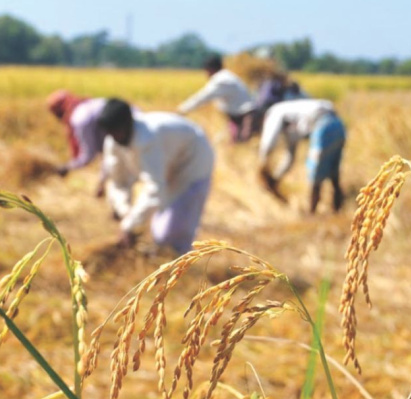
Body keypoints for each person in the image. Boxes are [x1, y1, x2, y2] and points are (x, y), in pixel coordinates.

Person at [97, 98, 214, 254]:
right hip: (170, 164)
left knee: (172, 231)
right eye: (111, 132)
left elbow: (155, 190)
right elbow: (119, 181)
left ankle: (179, 260)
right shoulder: (113, 143)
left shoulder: (148, 138)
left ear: (127, 123)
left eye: (117, 131)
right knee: (159, 227)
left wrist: (129, 226)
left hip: (192, 162)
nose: (115, 136)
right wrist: (125, 211)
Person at [257, 98, 346, 214]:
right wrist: (277, 178)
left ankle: (312, 213)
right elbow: (290, 157)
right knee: (334, 171)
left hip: (323, 126)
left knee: (315, 172)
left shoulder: (275, 112)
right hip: (338, 125)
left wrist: (263, 161)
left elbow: (269, 141)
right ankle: (337, 210)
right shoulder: (291, 117)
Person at [177, 55, 256, 143]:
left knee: (243, 141)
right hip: (237, 115)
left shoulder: (222, 80)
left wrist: (182, 109)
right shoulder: (227, 75)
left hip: (245, 115)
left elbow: (203, 97)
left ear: (210, 69)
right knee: (235, 142)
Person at [46, 90, 108, 177]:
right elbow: (107, 151)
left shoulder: (80, 119)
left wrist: (67, 167)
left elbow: (88, 155)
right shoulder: (91, 105)